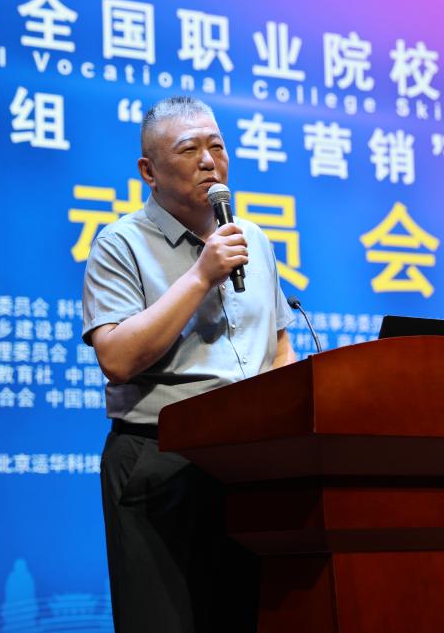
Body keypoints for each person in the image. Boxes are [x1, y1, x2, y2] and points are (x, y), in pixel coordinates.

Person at [81, 96, 297, 632]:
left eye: (217, 147)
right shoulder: (120, 244)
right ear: (148, 171)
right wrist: (200, 276)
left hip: (249, 465)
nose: (208, 161)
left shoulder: (253, 239)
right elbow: (117, 358)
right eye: (189, 149)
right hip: (161, 461)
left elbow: (279, 350)